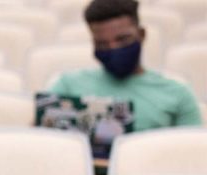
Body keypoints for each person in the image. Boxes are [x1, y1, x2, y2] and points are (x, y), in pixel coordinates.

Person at [49, 0, 202, 131]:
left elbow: (192, 155)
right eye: (102, 44)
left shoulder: (177, 95)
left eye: (122, 40)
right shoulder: (67, 87)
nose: (113, 48)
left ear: (141, 35)